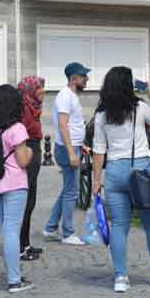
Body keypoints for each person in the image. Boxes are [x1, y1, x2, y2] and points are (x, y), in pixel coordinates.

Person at [91, 66, 150, 292]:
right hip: (142, 173)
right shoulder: (140, 108)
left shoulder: (101, 114)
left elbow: (99, 150)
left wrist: (97, 181)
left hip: (115, 172)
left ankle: (120, 278)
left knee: (118, 225)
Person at [0, 85, 34, 293]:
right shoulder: (16, 128)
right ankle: (14, 281)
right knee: (11, 230)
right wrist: (28, 151)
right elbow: (22, 161)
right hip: (14, 184)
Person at [43, 62, 90, 246]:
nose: (86, 79)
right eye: (83, 76)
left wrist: (81, 145)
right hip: (67, 149)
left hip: (74, 146)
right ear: (73, 78)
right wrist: (72, 152)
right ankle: (68, 233)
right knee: (72, 192)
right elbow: (63, 125)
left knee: (68, 190)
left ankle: (50, 227)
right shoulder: (65, 96)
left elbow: (73, 125)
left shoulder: (71, 96)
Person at [17, 76, 45, 261]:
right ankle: (21, 246)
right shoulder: (24, 109)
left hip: (34, 148)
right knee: (26, 202)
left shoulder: (32, 106)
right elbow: (23, 134)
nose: (43, 92)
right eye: (40, 88)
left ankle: (26, 243)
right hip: (28, 150)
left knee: (31, 200)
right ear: (31, 90)